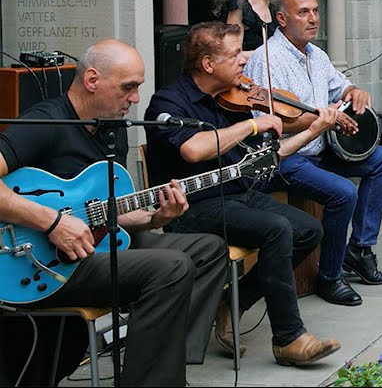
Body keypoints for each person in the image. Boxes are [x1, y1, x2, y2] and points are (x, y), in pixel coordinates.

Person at [0, 39, 225, 386]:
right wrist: (52, 221)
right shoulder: (47, 122)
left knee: (208, 250)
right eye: (128, 87)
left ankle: (164, 365)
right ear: (92, 80)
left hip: (95, 246)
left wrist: (155, 218)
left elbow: (104, 213)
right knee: (171, 267)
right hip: (41, 262)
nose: (135, 98)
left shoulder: (112, 129)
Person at [144, 21, 343, 366]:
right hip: (193, 207)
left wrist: (313, 129)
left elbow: (270, 156)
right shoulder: (169, 101)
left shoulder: (229, 99)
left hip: (238, 194)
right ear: (208, 64)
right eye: (235, 54)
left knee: (309, 230)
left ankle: (234, 301)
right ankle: (289, 339)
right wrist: (251, 124)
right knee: (276, 229)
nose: (244, 60)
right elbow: (193, 149)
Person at [245, 0, 382, 307]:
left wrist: (354, 92)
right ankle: (330, 277)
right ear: (281, 19)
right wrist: (318, 120)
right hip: (283, 158)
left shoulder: (317, 55)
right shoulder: (266, 59)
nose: (313, 18)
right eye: (303, 12)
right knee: (343, 193)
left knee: (381, 159)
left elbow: (340, 88)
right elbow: (264, 124)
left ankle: (360, 248)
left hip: (317, 151)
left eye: (315, 11)